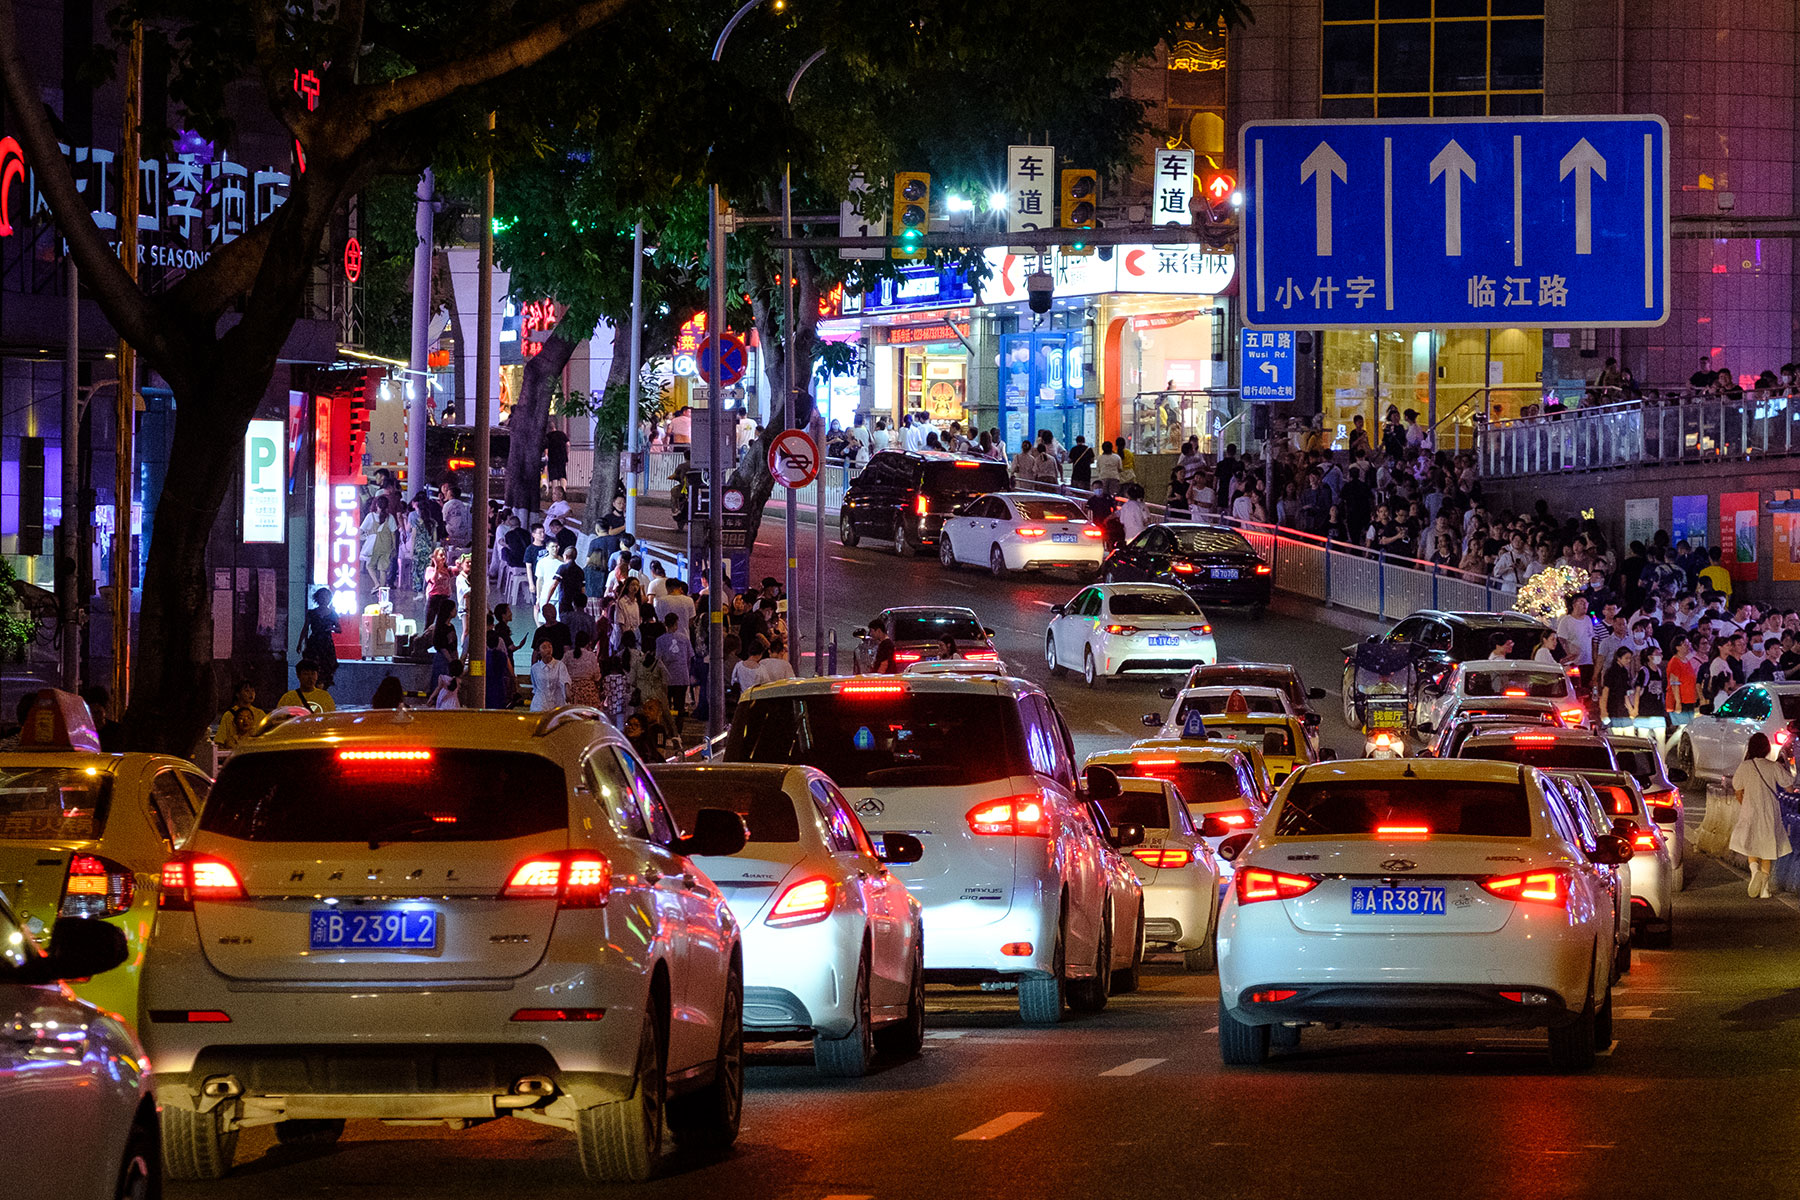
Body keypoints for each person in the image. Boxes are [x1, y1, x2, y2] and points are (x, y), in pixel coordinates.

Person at [1731, 732, 1794, 898]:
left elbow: (1737, 789)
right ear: (1767, 749)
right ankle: (1765, 889)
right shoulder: (1773, 766)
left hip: (1750, 810)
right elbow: (1789, 786)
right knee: (1768, 848)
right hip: (1770, 812)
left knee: (1752, 844)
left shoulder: (1744, 766)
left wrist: (1745, 806)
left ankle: (1754, 872)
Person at [297, 586, 340, 688]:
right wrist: (300, 642)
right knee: (312, 665)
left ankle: (323, 688)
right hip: (314, 642)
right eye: (322, 597)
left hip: (326, 643)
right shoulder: (312, 613)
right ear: (317, 598)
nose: (324, 599)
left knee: (327, 667)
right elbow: (305, 628)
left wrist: (332, 628)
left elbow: (339, 629)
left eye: (326, 597)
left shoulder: (333, 613)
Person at [654, 614, 692, 725]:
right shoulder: (684, 639)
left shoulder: (660, 640)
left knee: (666, 707)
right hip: (682, 677)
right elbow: (690, 657)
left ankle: (668, 729)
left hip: (667, 678)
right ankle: (678, 731)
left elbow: (658, 659)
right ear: (676, 624)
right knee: (679, 706)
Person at [212, 681, 266, 751]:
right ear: (237, 694)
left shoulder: (260, 714)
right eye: (246, 691)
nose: (251, 694)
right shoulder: (228, 715)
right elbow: (219, 742)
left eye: (253, 691)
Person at [1598, 646, 1636, 729]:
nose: (1628, 661)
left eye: (1630, 658)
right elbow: (1605, 691)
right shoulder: (1612, 672)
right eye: (1626, 658)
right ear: (1618, 658)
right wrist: (1604, 711)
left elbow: (1625, 692)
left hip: (1621, 706)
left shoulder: (1624, 671)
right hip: (1613, 707)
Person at [529, 638, 570, 712]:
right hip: (540, 704)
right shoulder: (535, 668)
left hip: (557, 702)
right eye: (544, 647)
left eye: (550, 647)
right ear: (539, 651)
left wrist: (567, 692)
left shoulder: (559, 665)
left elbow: (565, 680)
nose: (548, 650)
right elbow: (535, 686)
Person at [79, 686, 124, 752]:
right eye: (90, 713)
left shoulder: (117, 732)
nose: (94, 717)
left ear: (105, 711)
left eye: (97, 712)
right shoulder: (81, 733)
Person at [565, 630, 603, 707]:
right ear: (588, 642)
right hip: (588, 691)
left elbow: (562, 671)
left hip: (572, 691)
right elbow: (597, 676)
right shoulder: (591, 656)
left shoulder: (567, 655)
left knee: (575, 716)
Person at [439, 481, 471, 554]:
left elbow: (444, 519)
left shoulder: (447, 505)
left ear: (450, 494)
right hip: (463, 532)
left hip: (451, 532)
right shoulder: (462, 505)